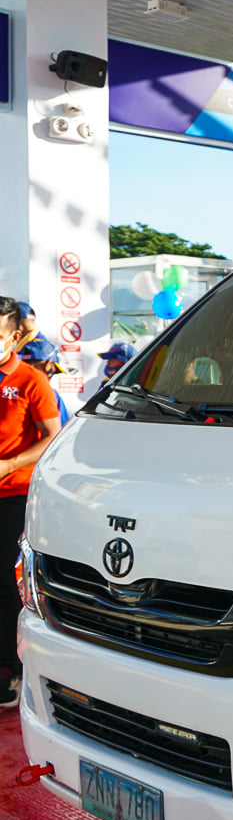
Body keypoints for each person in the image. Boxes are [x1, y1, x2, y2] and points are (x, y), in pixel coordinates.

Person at [0, 299, 61, 708]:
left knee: (5, 583)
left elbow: (53, 437)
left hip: (12, 494)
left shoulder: (30, 380)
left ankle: (12, 668)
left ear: (15, 336)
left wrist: (8, 464)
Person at [20, 336, 71, 426]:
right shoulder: (51, 394)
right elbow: (63, 430)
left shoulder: (6, 385)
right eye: (55, 371)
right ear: (48, 365)